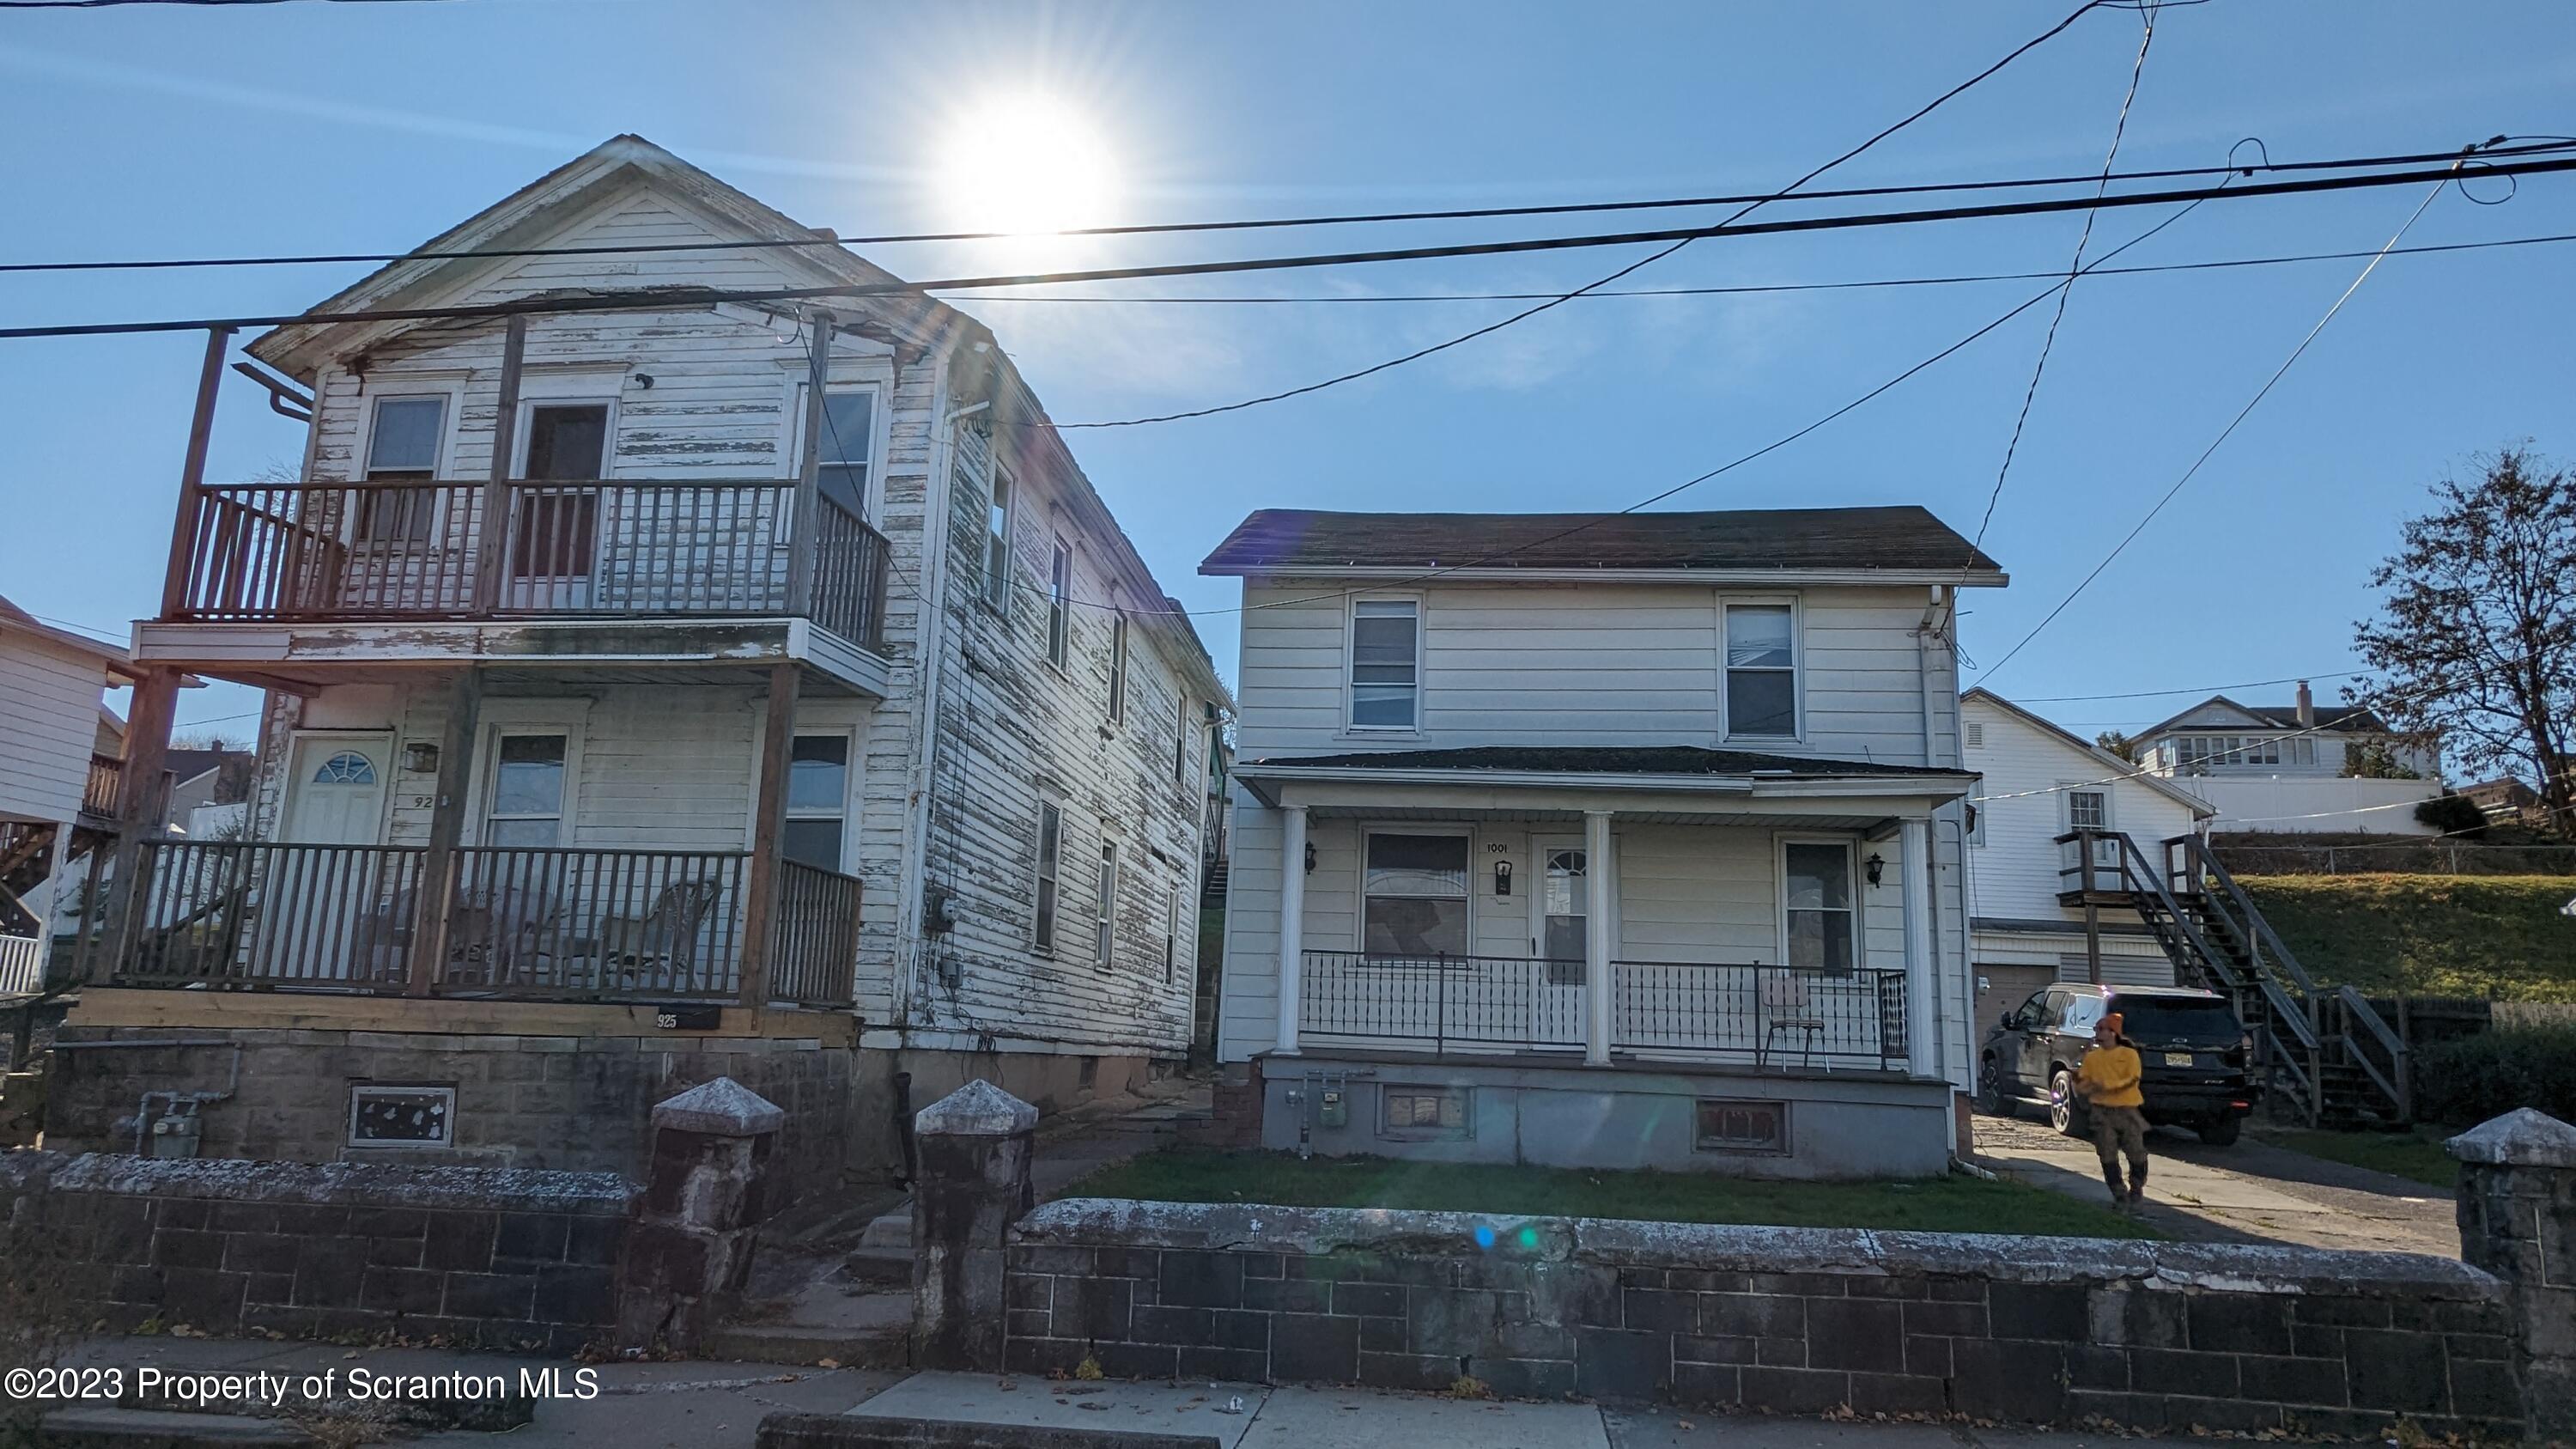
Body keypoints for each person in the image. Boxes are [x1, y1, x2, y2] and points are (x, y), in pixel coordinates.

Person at [2073, 1011, 2148, 1212]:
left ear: (2113, 1032)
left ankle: (2137, 1186)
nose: (2097, 1032)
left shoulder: (2129, 1055)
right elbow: (2083, 1083)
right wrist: (2079, 1080)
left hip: (2127, 1109)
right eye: (2096, 1029)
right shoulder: (2093, 1057)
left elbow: (2132, 1078)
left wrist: (2105, 1085)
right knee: (2107, 1153)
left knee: (2136, 1151)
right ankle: (2118, 1192)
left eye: (2101, 1029)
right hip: (2101, 1111)